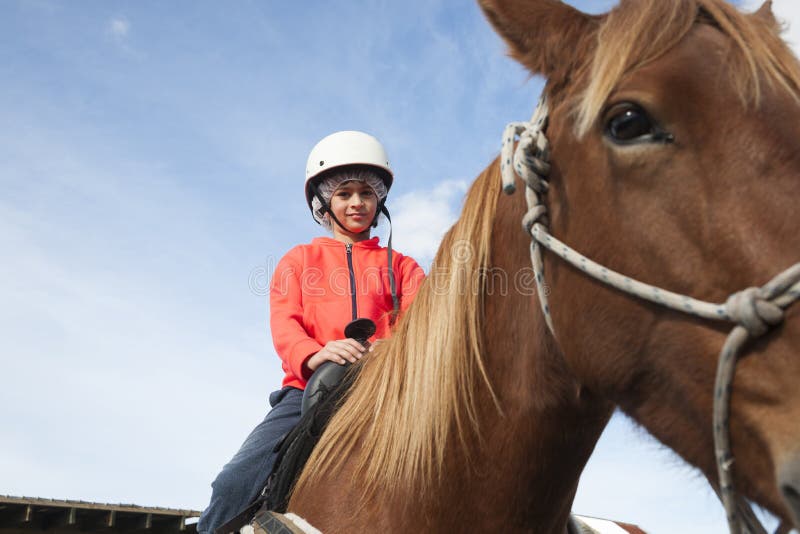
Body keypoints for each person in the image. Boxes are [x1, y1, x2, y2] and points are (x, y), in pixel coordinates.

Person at [197, 131, 425, 534]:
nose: (357, 202)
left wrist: (387, 352)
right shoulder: (299, 260)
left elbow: (421, 323)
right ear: (323, 203)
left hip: (388, 389)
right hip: (306, 390)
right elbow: (284, 321)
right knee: (231, 482)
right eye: (345, 194)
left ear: (379, 201)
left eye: (367, 193)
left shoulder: (404, 267)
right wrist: (314, 353)